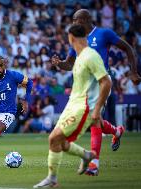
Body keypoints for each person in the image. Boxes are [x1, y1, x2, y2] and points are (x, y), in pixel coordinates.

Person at [52, 9, 141, 176]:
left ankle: (94, 163)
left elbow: (128, 48)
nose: (72, 23)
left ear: (85, 19)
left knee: (93, 119)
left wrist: (133, 72)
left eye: (75, 20)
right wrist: (59, 64)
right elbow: (69, 64)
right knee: (93, 119)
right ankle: (116, 131)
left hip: (101, 81)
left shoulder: (104, 34)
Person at [34, 24, 112, 188]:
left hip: (83, 108)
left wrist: (97, 108)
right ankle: (85, 156)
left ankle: (53, 179)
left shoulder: (91, 56)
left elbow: (106, 82)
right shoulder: (79, 56)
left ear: (71, 37)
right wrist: (60, 63)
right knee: (58, 141)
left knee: (54, 139)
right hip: (72, 105)